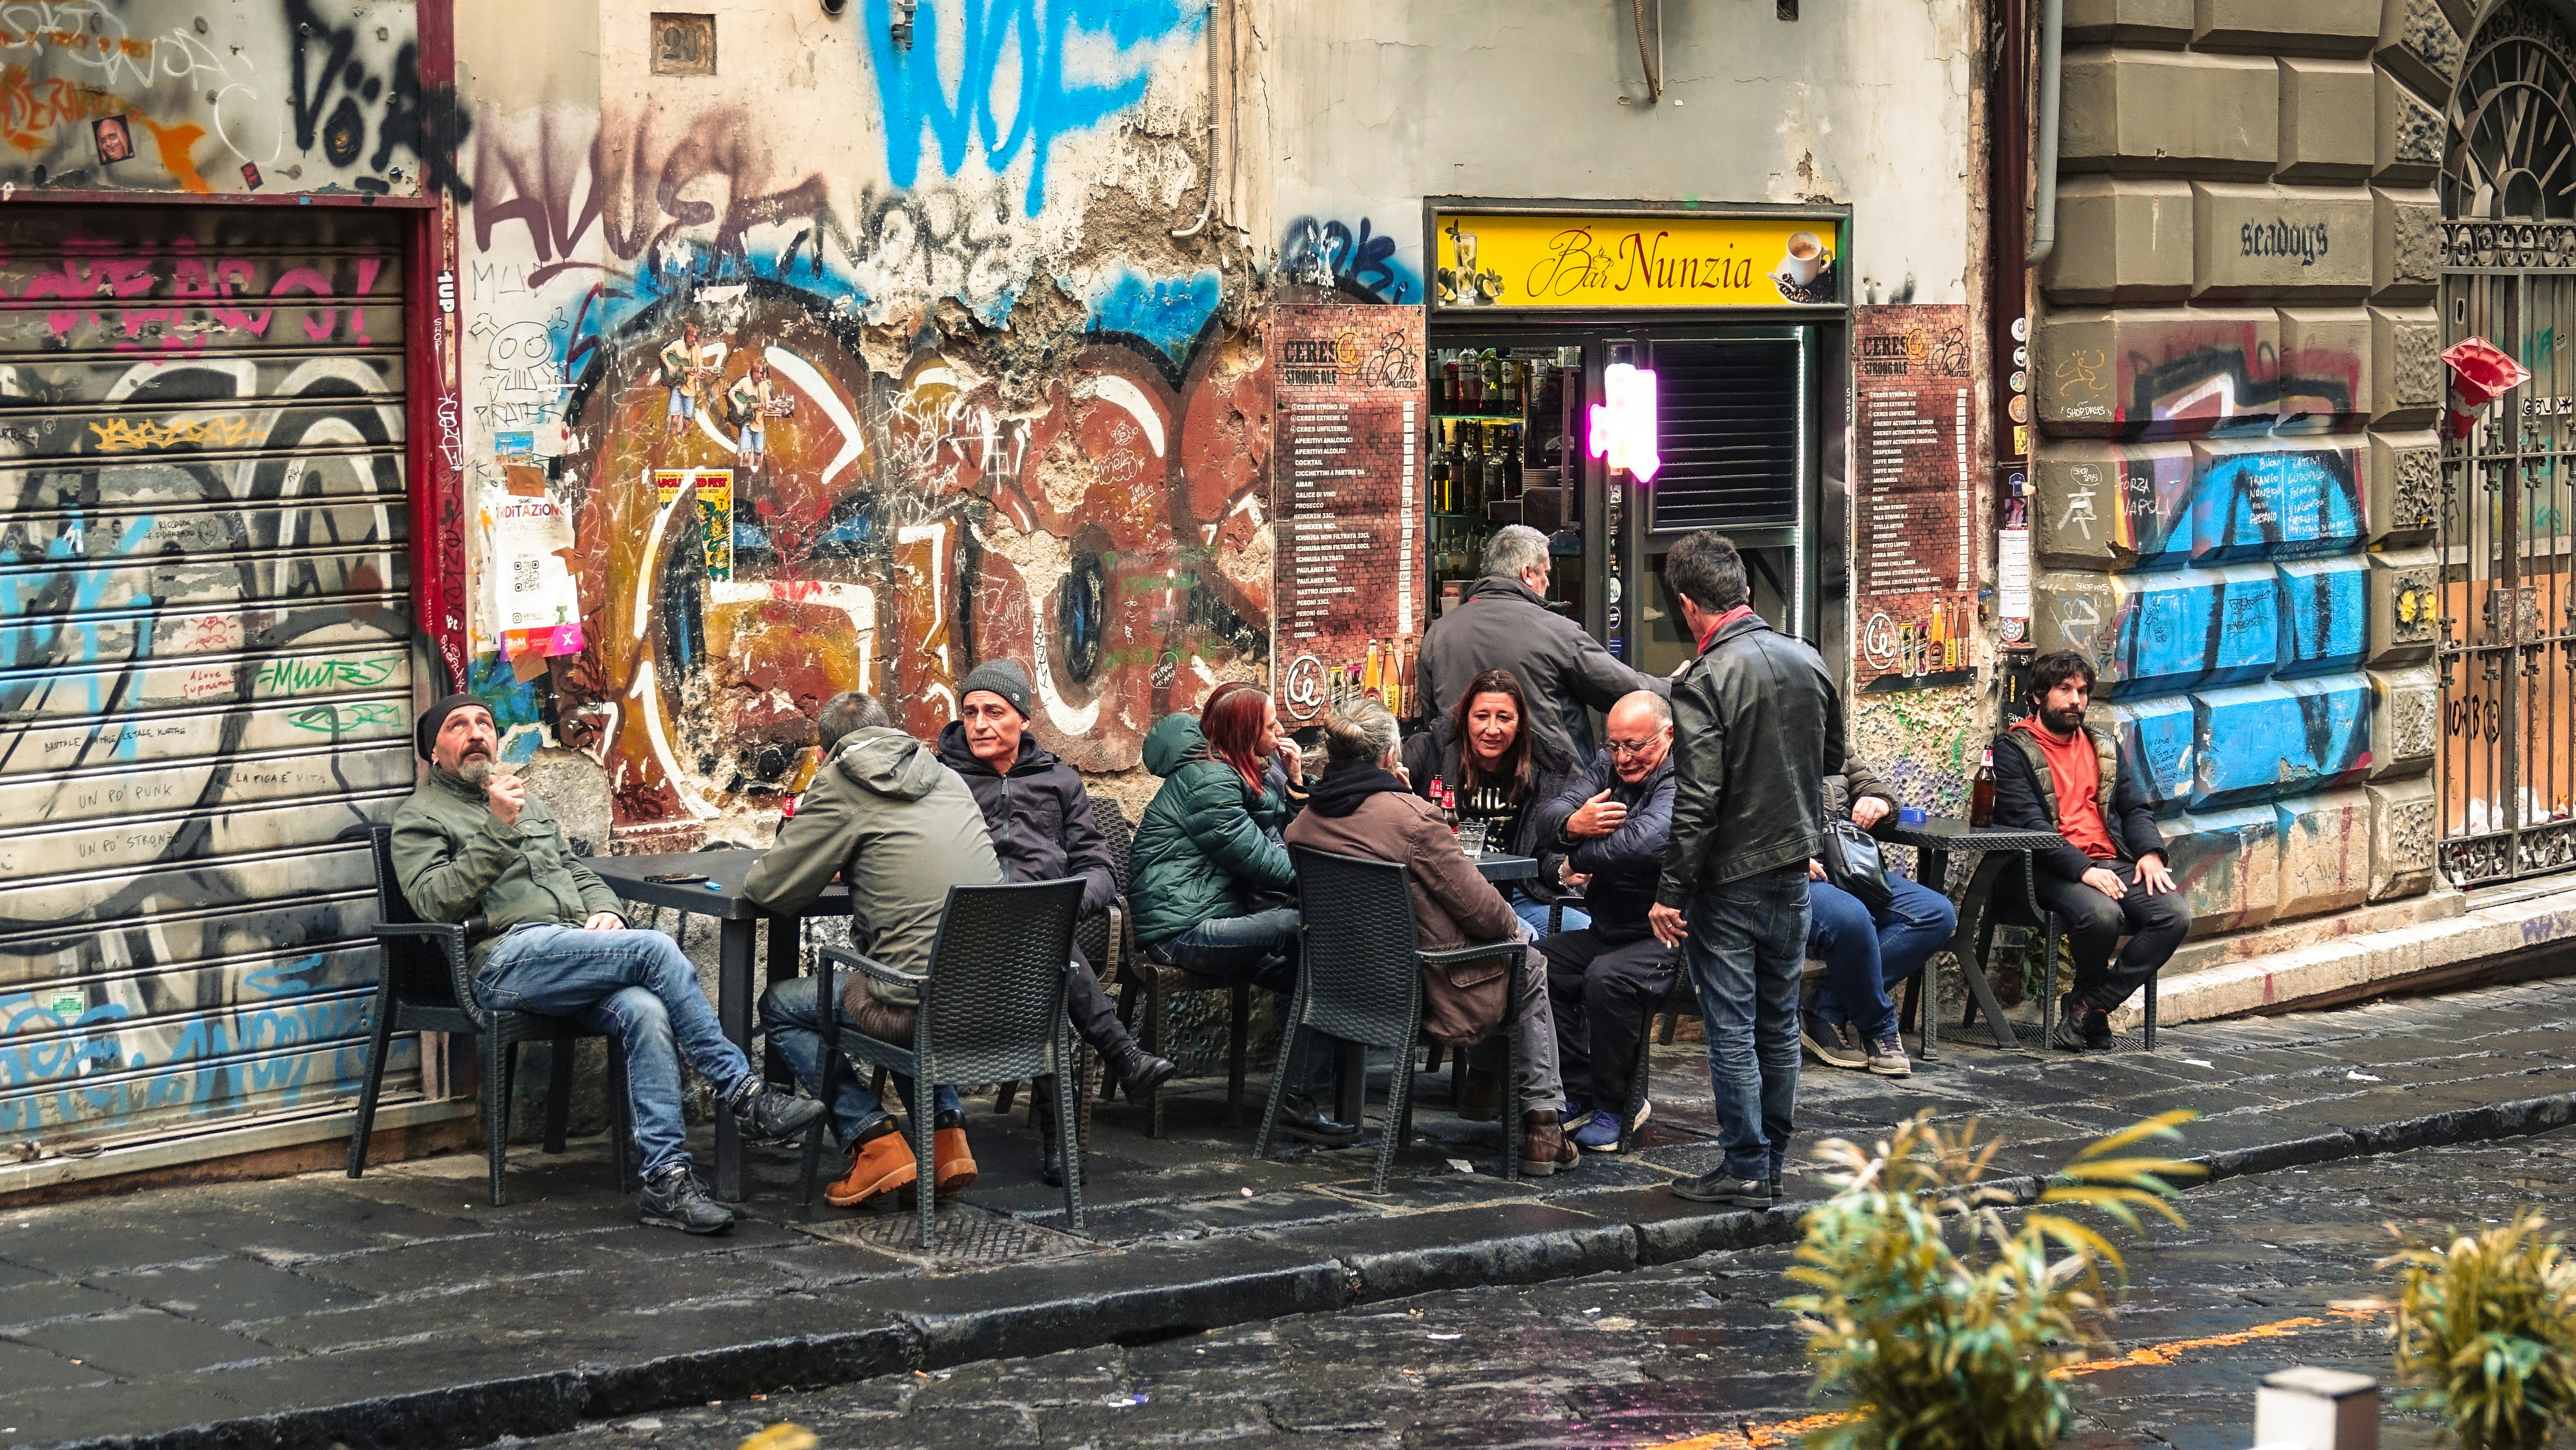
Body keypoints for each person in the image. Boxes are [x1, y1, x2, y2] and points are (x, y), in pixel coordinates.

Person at [392, 694, 823, 1236]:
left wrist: (605, 909)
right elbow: (435, 901)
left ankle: (665, 1181)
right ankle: (742, 1093)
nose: (476, 732)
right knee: (656, 949)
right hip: (502, 961)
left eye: (485, 722)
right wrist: (499, 827)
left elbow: (577, 869)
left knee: (644, 1007)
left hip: (567, 949)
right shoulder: (420, 817)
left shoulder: (526, 801)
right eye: (458, 726)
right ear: (434, 750)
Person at [1284, 701, 1580, 1174]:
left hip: (1345, 994)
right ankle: (1542, 1126)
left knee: (1514, 950)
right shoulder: (1414, 819)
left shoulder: (1304, 824)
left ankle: (1484, 1087)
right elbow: (1486, 913)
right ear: (1388, 757)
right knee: (1527, 957)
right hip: (1425, 994)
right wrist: (1411, 807)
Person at [748, 693, 1002, 1210]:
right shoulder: (945, 774)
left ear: (824, 754)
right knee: (912, 968)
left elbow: (771, 890)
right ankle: (946, 1139)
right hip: (996, 999)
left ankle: (872, 1141)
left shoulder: (842, 780)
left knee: (783, 1006)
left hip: (914, 1003)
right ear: (893, 732)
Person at [1650, 532, 1841, 1210]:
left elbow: (1697, 799)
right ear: (1746, 594)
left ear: (1686, 606)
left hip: (1729, 877)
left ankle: (1745, 1165)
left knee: (1732, 1027)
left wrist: (1671, 891)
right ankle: (1774, 1161)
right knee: (1777, 1022)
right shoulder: (1807, 661)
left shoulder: (1704, 681)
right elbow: (1832, 757)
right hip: (1792, 868)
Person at [935, 659, 1179, 1184]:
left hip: (1043, 929)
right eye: (970, 712)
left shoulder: (1059, 781)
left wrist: (1065, 902)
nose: (979, 723)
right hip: (965, 938)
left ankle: (1068, 1126)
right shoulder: (941, 780)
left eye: (994, 712)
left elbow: (1101, 869)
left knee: (1044, 947)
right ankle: (1114, 1067)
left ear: (1022, 718)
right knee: (1047, 952)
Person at [1129, 683, 1353, 1144]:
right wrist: (1334, 883)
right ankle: (1296, 1103)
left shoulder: (1242, 771)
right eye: (1270, 724)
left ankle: (1296, 1101)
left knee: (1321, 968)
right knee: (1308, 926)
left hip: (1214, 918)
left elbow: (1286, 834)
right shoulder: (1208, 782)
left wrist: (1293, 782)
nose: (1280, 730)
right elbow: (1265, 862)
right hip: (1181, 931)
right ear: (1245, 732)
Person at [1987, 649, 2190, 1050]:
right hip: (2047, 868)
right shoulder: (2012, 751)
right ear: (2038, 696)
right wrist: (2083, 870)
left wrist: (2150, 853)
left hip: (2110, 860)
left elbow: (2134, 808)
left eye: (2082, 691)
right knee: (2101, 914)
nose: (2076, 700)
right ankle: (2089, 1013)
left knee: (2173, 915)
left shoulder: (2104, 747)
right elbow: (2030, 826)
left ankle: (2088, 1005)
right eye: (2064, 690)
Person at [1531, 690, 1679, 1153]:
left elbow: (1642, 841)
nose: (1624, 757)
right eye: (1615, 745)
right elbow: (1549, 814)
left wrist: (1574, 849)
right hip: (1610, 927)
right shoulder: (1607, 765)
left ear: (1667, 735)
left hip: (1669, 936)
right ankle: (1578, 1090)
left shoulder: (1684, 776)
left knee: (1605, 977)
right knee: (1535, 963)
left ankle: (1622, 1105)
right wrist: (1576, 823)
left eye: (1636, 745)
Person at [1417, 523, 1667, 762]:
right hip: (1553, 792)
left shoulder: (1438, 635)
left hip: (1462, 788)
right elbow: (1623, 689)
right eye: (1546, 572)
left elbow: (1432, 720)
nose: (1548, 582)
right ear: (1527, 574)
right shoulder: (1556, 631)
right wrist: (1675, 686)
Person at [1400, 666, 1585, 940]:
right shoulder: (1429, 751)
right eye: (1482, 716)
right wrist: (1394, 785)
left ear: (1520, 723)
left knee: (1582, 927)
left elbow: (1547, 851)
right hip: (1448, 890)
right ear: (1465, 719)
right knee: (1524, 938)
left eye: (1505, 718)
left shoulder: (1547, 768)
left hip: (1518, 889)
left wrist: (1565, 869)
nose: (1492, 729)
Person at [1800, 763, 1957, 1079]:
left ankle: (1827, 1008)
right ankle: (1878, 1026)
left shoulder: (1833, 741)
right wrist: (1784, 858)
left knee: (1935, 913)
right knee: (1852, 917)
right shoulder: (1756, 733)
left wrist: (1879, 801)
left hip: (1848, 867)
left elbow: (1869, 783)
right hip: (1794, 876)